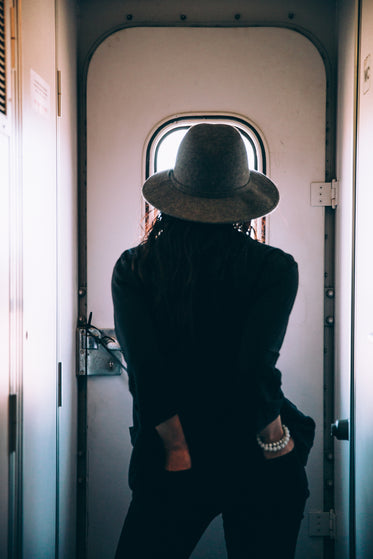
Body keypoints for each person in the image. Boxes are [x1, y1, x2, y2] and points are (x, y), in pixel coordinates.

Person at [112, 123, 315, 559]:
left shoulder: (134, 268)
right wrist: (277, 444)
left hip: (171, 450)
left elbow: (147, 374)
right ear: (242, 204)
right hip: (253, 449)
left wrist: (178, 449)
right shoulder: (275, 268)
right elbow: (252, 373)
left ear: (173, 198)